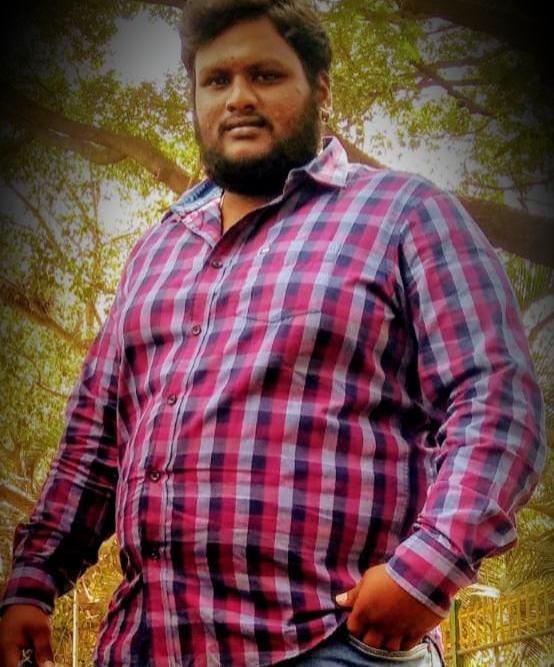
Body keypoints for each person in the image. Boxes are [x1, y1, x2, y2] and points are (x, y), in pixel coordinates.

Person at [0, 1, 545, 665]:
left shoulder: (406, 214)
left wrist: (428, 567)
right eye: (217, 80)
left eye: (265, 75)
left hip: (332, 643)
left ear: (321, 88)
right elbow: (95, 439)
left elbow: (497, 399)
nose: (238, 98)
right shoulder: (155, 251)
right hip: (148, 645)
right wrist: (33, 580)